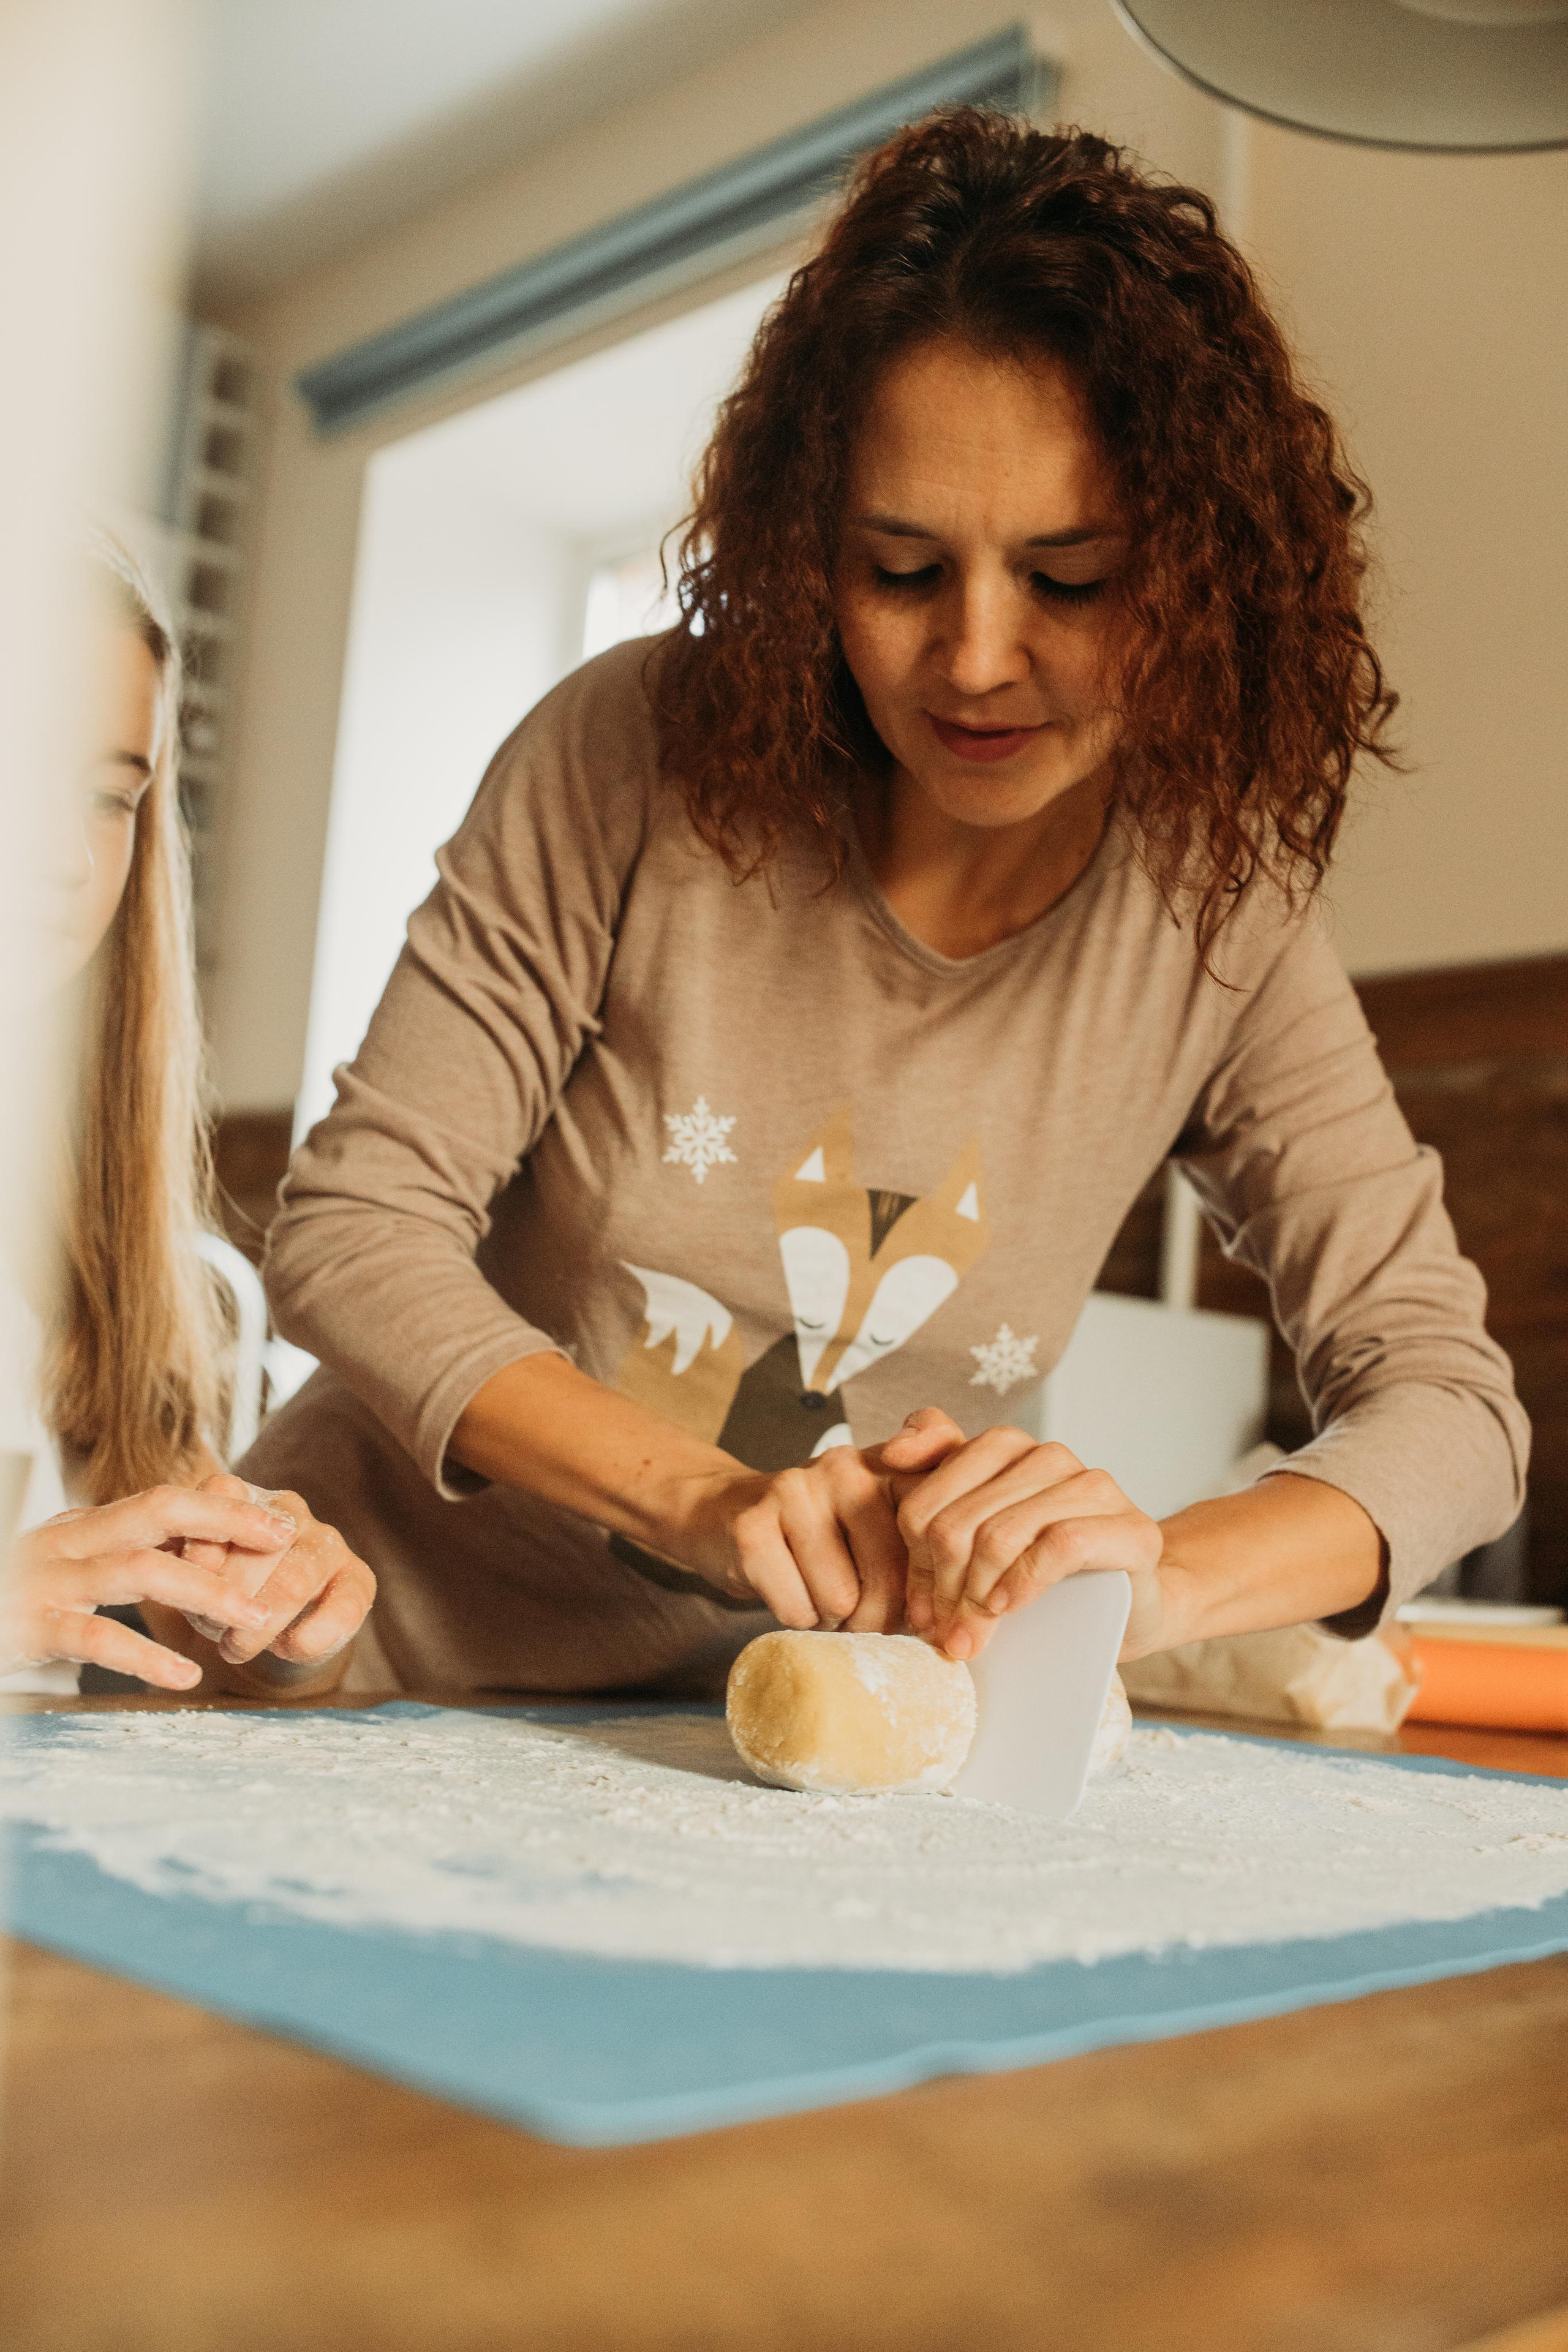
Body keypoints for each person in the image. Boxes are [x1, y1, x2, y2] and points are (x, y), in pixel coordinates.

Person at [245, 114, 1526, 1698]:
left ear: (1201, 576)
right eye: (903, 571)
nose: (979, 658)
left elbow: (1454, 1409)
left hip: (769, 1731)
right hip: (350, 1651)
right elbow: (355, 1233)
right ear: (807, 558)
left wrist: (1161, 1581)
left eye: (1070, 580)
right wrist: (704, 1498)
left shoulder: (1218, 911)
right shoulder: (629, 749)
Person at [0, 535, 374, 1694]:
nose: (64, 854)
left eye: (111, 796)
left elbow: (152, 1658)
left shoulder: (81, 1222)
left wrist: (255, 1604)